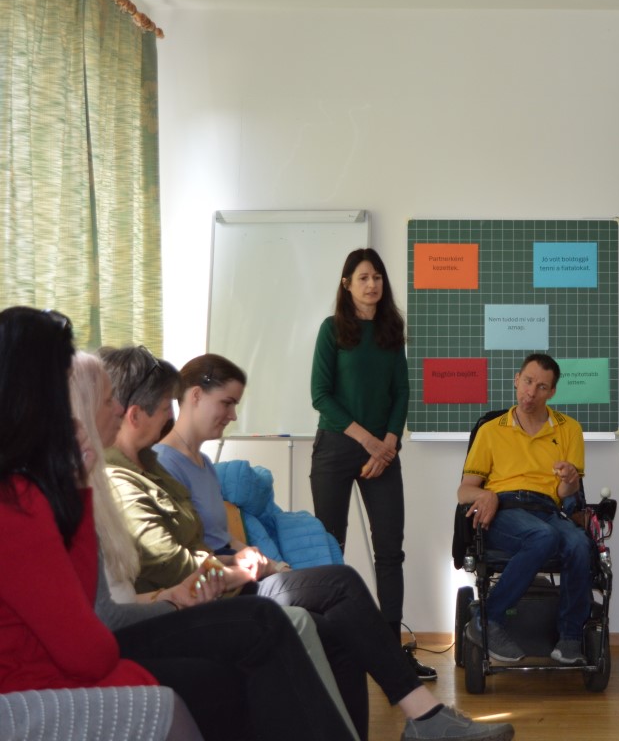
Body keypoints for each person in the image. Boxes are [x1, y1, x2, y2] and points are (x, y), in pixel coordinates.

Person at [99, 345, 513, 741]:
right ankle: (424, 714)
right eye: (226, 403)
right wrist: (246, 568)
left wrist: (249, 557)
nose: (231, 414)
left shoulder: (167, 467)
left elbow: (207, 541)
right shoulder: (141, 471)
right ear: (136, 414)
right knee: (340, 585)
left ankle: (411, 719)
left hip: (227, 576)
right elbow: (178, 563)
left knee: (339, 626)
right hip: (218, 588)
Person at [71, 350, 359, 741]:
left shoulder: (148, 467)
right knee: (274, 627)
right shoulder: (113, 479)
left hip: (192, 591)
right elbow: (163, 569)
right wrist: (236, 573)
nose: (118, 409)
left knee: (335, 604)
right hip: (181, 601)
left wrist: (236, 560)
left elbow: (189, 551)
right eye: (109, 402)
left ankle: (407, 714)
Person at [0, 307, 202, 741]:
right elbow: (90, 647)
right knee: (172, 701)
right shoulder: (16, 501)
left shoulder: (27, 489)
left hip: (40, 675)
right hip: (20, 696)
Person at [308, 248, 436, 679]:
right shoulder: (331, 330)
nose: (372, 284)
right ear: (347, 284)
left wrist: (389, 444)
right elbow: (320, 395)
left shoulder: (390, 331)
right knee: (330, 550)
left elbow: (402, 392)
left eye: (377, 276)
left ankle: (391, 652)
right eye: (363, 277)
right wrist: (370, 442)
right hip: (336, 447)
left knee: (390, 552)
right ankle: (328, 649)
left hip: (384, 449)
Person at [458, 353, 590, 665]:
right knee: (543, 536)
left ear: (552, 392)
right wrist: (487, 495)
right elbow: (464, 490)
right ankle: (487, 619)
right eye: (528, 382)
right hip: (504, 510)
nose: (531, 392)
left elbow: (564, 494)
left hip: (546, 509)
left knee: (579, 543)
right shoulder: (491, 430)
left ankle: (570, 638)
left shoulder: (569, 429)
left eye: (542, 387)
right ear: (516, 380)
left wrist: (570, 480)